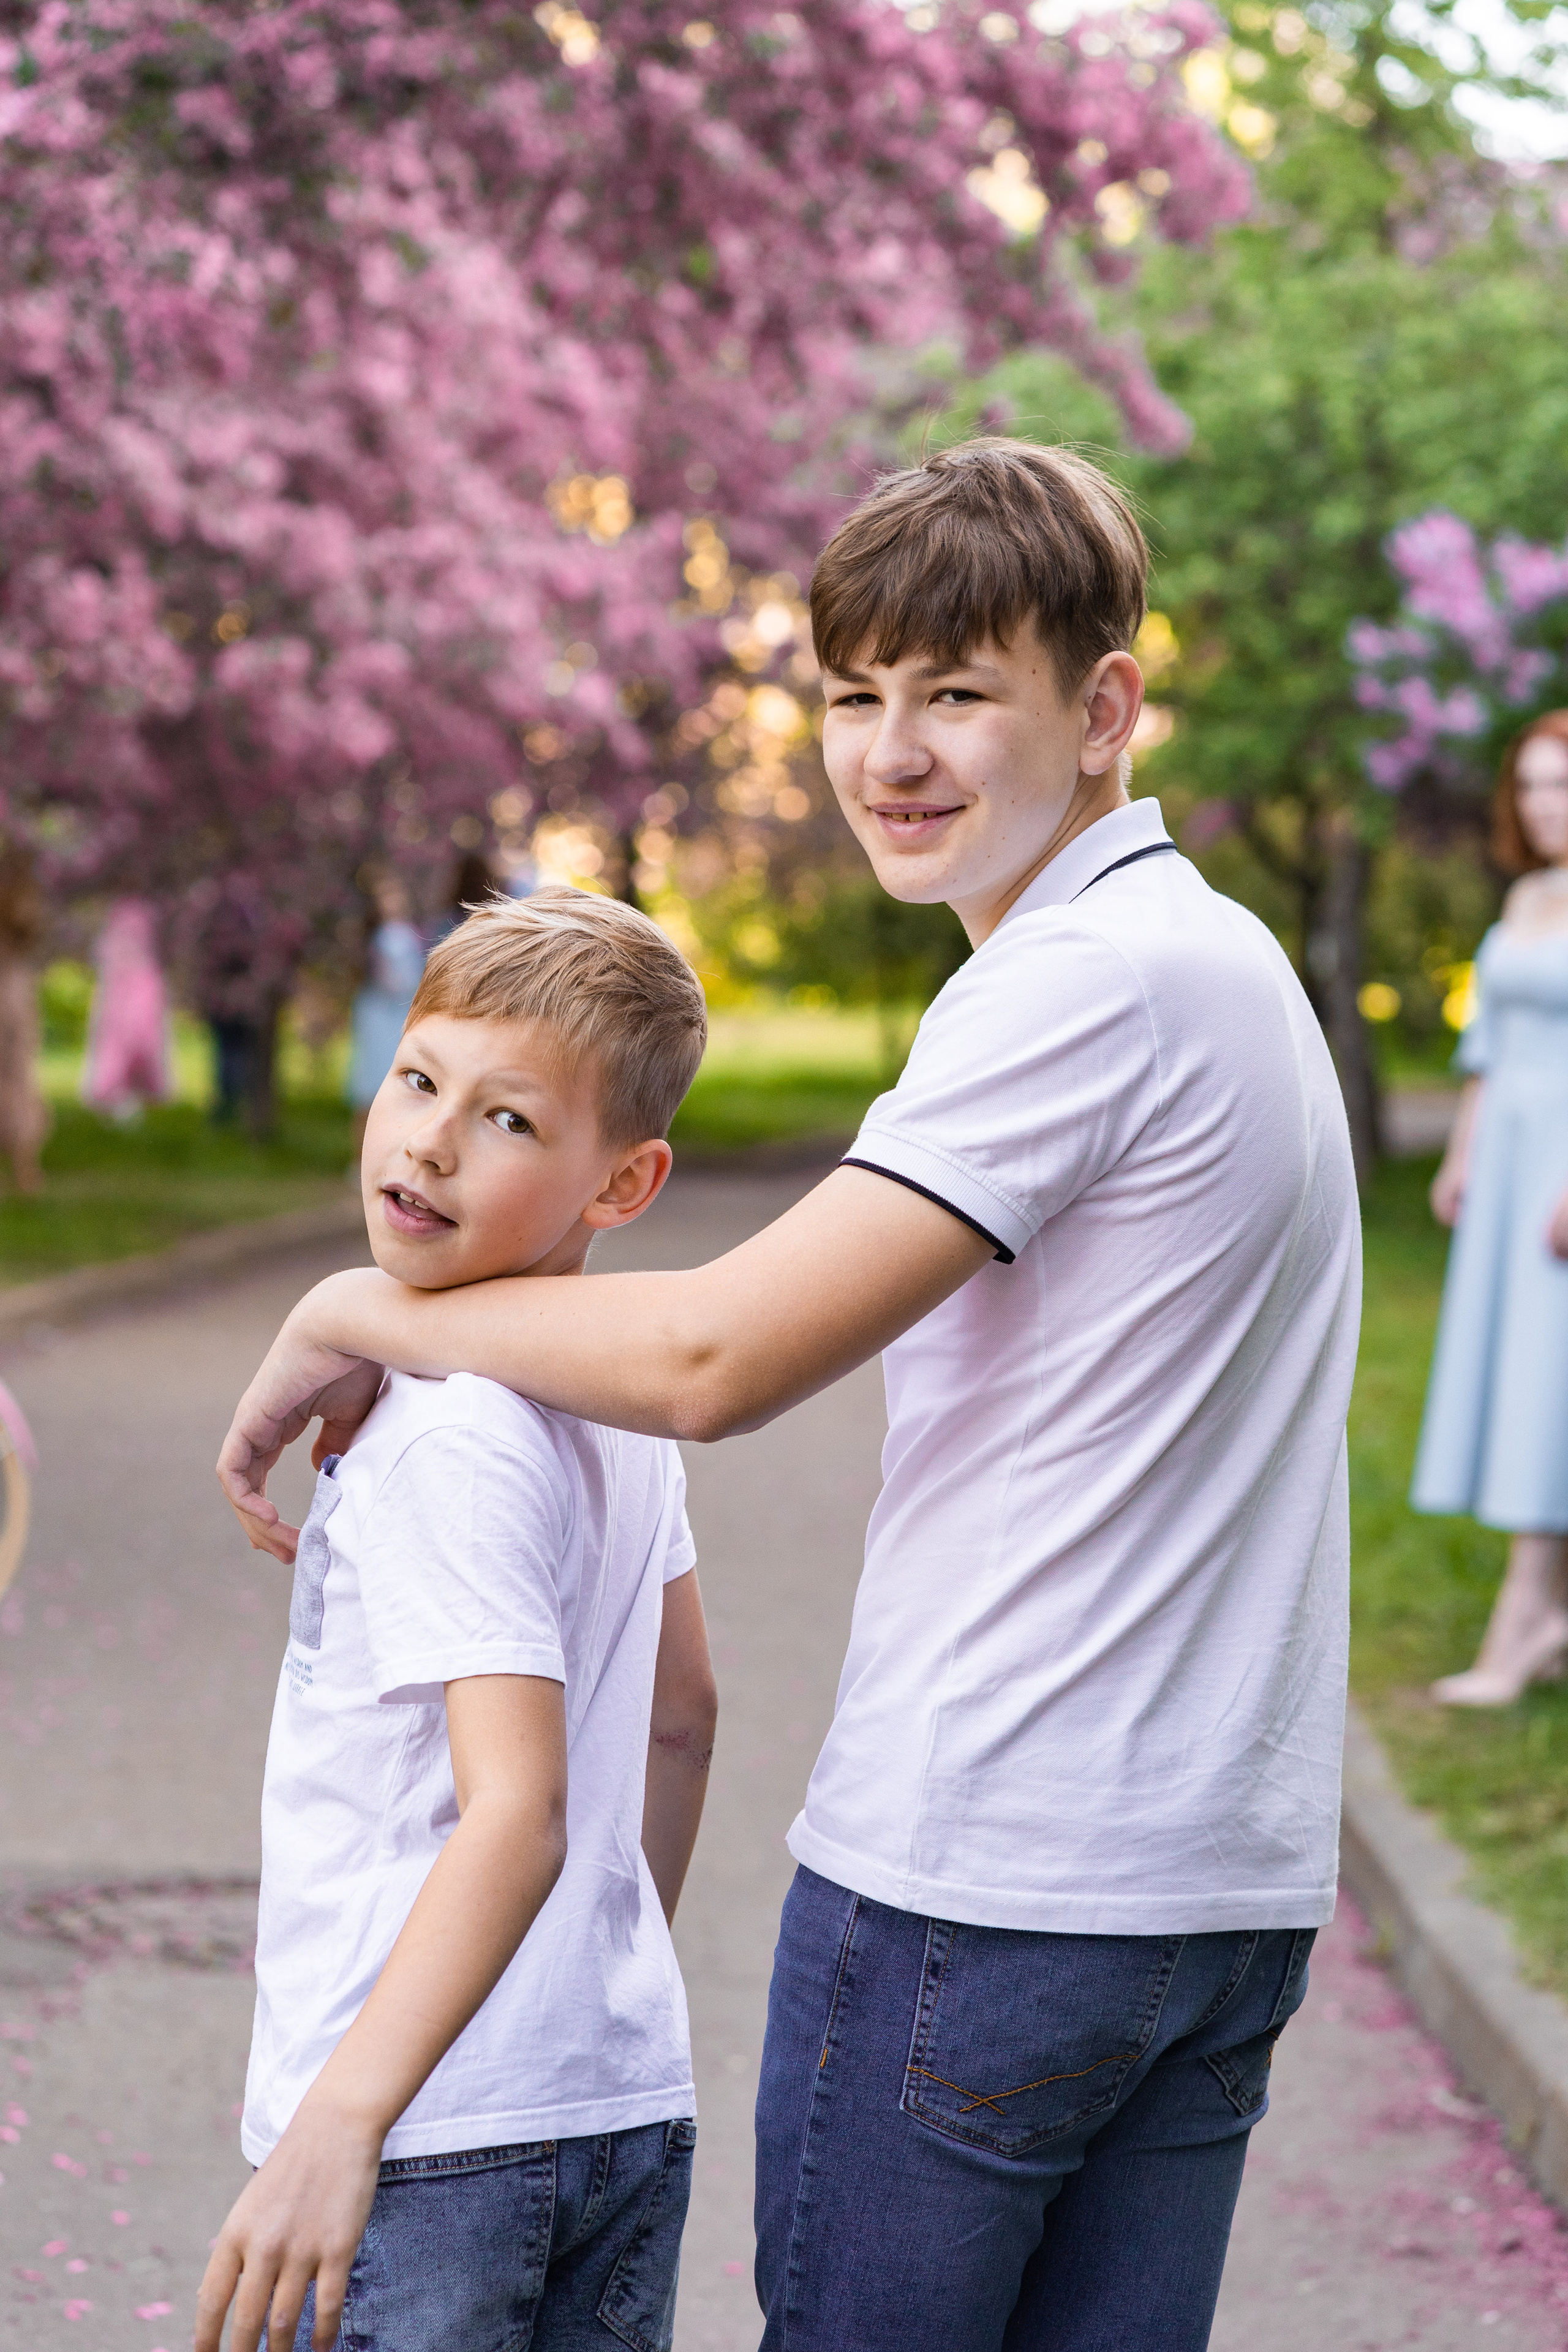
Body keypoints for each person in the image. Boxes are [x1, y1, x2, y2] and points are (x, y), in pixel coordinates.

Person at [217, 439, 1361, 2352]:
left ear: (1103, 712)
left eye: (957, 694)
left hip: (990, 1881)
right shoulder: (1216, 958)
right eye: (852, 695)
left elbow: (711, 1358)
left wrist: (366, 1304)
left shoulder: (1075, 983)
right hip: (1210, 1885)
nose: (890, 754)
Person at [197, 889, 717, 2352]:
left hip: (424, 2134)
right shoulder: (612, 1410)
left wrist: (339, 2120)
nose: (428, 1142)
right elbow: (684, 1718)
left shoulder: (449, 1438)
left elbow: (515, 1811)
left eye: (507, 1119)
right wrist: (581, 1991)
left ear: (623, 1182)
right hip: (608, 2099)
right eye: (418, 1079)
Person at [1414, 711, 1568, 1706]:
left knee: (1550, 1379)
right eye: (1532, 786)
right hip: (1509, 1166)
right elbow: (1488, 1049)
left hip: (1562, 1168)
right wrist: (1462, 1157)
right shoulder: (1525, 897)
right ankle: (1552, 1612)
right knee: (1524, 1370)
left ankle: (1524, 1623)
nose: (1545, 805)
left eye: (1563, 785)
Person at [347, 872, 426, 1144]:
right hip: (380, 1015)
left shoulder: (409, 933)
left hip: (400, 1013)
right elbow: (390, 981)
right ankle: (361, 1154)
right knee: (371, 1082)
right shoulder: (379, 937)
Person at [82, 898, 172, 1122]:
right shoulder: (117, 912)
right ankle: (119, 1095)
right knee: (119, 1042)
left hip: (140, 986)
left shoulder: (151, 911)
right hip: (121, 988)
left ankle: (136, 1094)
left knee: (140, 1040)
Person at [0, 840, 49, 1193]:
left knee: (18, 1075)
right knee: (19, 1076)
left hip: (14, 993)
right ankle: (25, 1168)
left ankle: (24, 1166)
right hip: (14, 993)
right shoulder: (22, 898)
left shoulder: (20, 899)